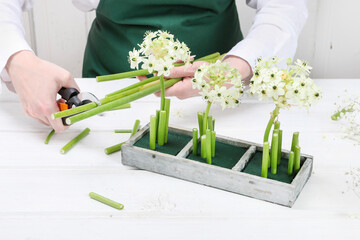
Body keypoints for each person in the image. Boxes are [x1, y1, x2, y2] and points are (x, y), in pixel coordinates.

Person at [0, 0, 308, 133]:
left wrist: (238, 65)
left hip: (219, 102)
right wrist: (16, 58)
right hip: (107, 88)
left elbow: (285, 7)